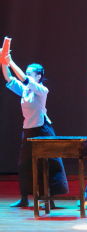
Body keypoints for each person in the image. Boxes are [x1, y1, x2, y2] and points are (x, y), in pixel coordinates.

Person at [1, 51, 68, 208]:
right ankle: (24, 198)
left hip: (43, 129)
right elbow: (8, 77)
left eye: (30, 73)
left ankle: (50, 199)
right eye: (27, 72)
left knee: (49, 163)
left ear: (38, 76)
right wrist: (3, 60)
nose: (27, 75)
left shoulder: (42, 90)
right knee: (24, 164)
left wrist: (10, 61)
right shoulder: (24, 90)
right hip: (29, 130)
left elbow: (24, 79)